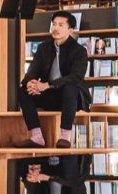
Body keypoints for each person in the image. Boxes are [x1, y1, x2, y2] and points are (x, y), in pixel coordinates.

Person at [19, 10, 90, 148]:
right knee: (22, 90)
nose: (56, 28)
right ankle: (36, 136)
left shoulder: (79, 51)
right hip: (49, 96)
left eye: (60, 25)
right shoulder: (44, 47)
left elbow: (75, 77)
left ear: (70, 30)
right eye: (54, 24)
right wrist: (30, 83)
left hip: (71, 99)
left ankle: (65, 138)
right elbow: (32, 70)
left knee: (70, 87)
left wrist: (47, 85)